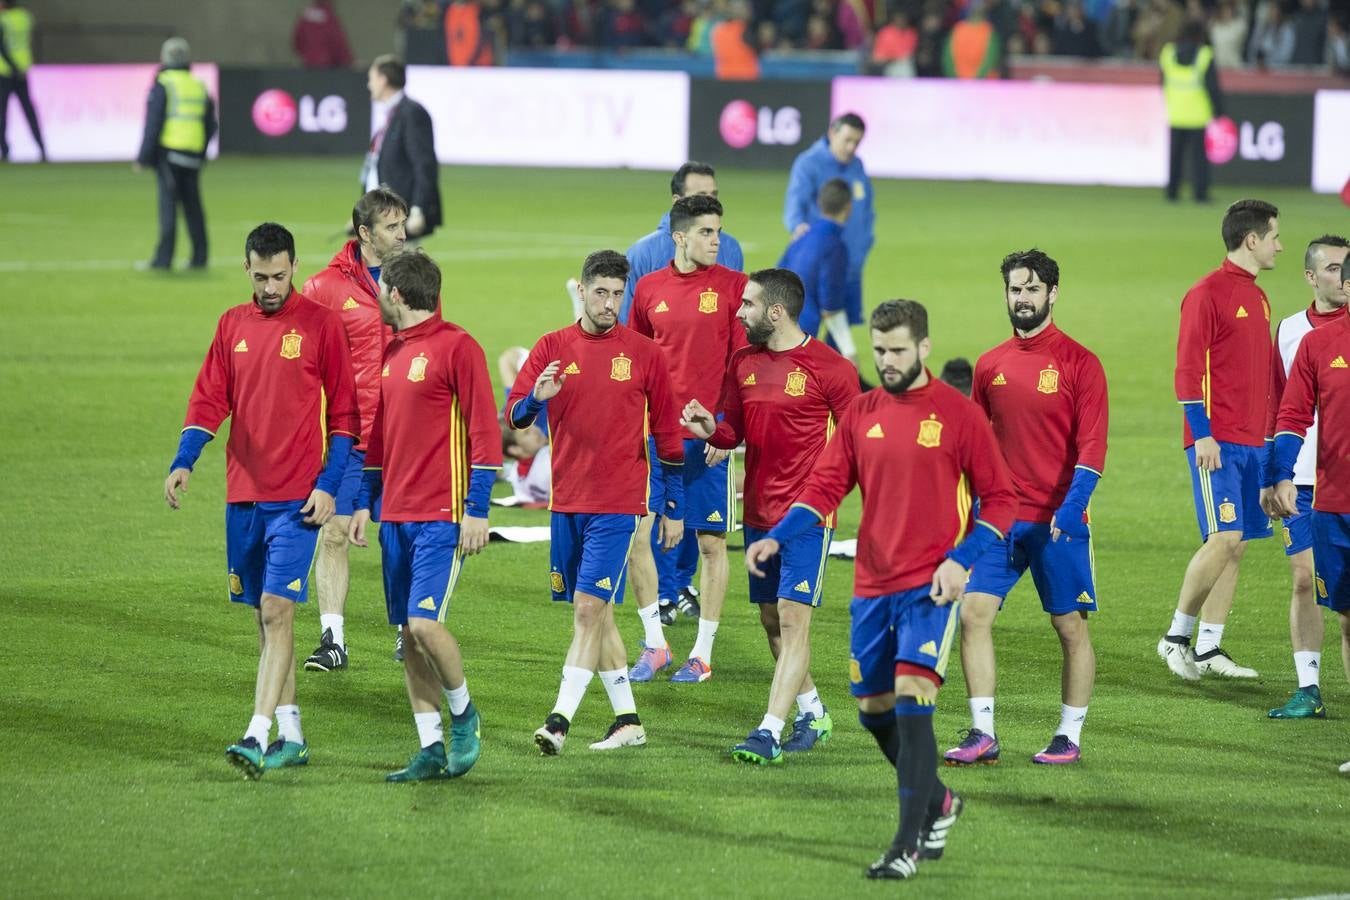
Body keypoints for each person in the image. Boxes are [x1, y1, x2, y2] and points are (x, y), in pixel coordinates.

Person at [746, 299, 1017, 878]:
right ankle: (940, 800)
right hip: (871, 587)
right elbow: (823, 490)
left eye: (897, 350)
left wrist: (960, 560)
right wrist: (778, 535)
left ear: (923, 348)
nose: (887, 361)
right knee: (873, 712)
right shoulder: (861, 413)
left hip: (928, 591)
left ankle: (907, 844)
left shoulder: (958, 415)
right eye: (879, 351)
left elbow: (1002, 500)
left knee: (914, 710)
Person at [162, 223, 359, 779]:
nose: (271, 286)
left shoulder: (321, 326)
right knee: (266, 618)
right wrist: (184, 459)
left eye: (280, 275)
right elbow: (209, 398)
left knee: (277, 610)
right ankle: (293, 733)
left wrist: (329, 485)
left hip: (298, 499)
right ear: (246, 268)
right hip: (243, 495)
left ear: (294, 266)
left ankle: (257, 731)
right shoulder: (232, 325)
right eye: (261, 275)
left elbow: (346, 418)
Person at [508, 250, 685, 754]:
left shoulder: (646, 354)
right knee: (596, 612)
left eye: (617, 294)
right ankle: (628, 720)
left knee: (588, 609)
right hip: (567, 502)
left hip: (620, 501)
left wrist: (673, 507)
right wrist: (538, 399)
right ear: (582, 291)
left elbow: (669, 436)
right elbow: (516, 418)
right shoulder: (552, 347)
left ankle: (559, 720)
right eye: (601, 293)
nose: (610, 303)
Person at [682, 268, 859, 764]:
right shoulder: (743, 362)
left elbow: (861, 443)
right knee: (770, 621)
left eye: (748, 305)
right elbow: (731, 429)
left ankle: (769, 731)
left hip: (806, 517)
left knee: (792, 618)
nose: (739, 313)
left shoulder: (832, 370)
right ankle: (813, 712)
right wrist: (706, 428)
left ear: (775, 312)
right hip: (758, 511)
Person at [946, 249, 1108, 767]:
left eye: (1032, 290)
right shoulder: (990, 364)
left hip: (1058, 521)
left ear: (1053, 294)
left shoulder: (1081, 363)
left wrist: (1072, 506)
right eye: (1015, 290)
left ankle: (1069, 733)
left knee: (1069, 628)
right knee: (974, 614)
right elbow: (976, 442)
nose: (1022, 299)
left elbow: (1093, 448)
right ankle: (982, 731)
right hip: (1001, 519)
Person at [349, 249, 500, 781]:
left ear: (395, 293)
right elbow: (381, 439)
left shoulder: (459, 348)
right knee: (407, 635)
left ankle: (464, 715)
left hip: (442, 514)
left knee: (424, 623)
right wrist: (365, 504)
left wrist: (477, 510)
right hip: (396, 514)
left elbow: (485, 435)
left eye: (380, 289)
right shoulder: (393, 351)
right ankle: (430, 748)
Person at [1159, 199, 1281, 681]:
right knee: (1223, 535)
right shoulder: (1206, 293)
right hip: (1218, 442)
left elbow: (1266, 376)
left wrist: (1270, 443)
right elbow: (1187, 369)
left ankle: (1209, 648)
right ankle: (1175, 638)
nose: (1279, 245)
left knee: (1239, 543)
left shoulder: (1260, 297)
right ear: (1252, 240)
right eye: (1274, 236)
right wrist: (1202, 434)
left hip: (1253, 443)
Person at [619, 160, 745, 629]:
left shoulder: (734, 286)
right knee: (653, 522)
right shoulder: (650, 285)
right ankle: (663, 604)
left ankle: (690, 614)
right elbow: (635, 355)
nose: (717, 240)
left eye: (718, 231)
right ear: (681, 235)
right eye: (708, 232)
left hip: (709, 426)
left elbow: (740, 361)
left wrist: (726, 428)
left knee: (703, 530)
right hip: (659, 424)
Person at [300, 187, 407, 671]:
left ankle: (410, 630)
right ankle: (333, 639)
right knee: (336, 532)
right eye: (391, 226)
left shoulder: (416, 281)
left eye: (403, 223)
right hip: (351, 437)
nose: (402, 233)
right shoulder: (324, 289)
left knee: (403, 535)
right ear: (365, 233)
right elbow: (303, 365)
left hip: (405, 435)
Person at [1267, 263, 1350, 775]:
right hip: (1334, 504)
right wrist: (1278, 475)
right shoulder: (1320, 346)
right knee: (1347, 618)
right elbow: (1293, 414)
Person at [784, 113, 875, 340]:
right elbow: (795, 204)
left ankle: (836, 373)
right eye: (847, 140)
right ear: (832, 132)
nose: (851, 147)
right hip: (819, 264)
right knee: (808, 325)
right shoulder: (809, 163)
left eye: (857, 142)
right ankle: (805, 373)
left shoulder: (857, 165)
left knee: (843, 324)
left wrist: (865, 241)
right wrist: (797, 226)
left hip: (852, 262)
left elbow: (867, 208)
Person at [135, 37, 217, 271]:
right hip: (192, 156)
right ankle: (199, 257)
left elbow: (153, 123)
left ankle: (163, 260)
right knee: (194, 208)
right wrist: (201, 153)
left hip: (169, 155)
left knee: (168, 207)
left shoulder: (164, 83)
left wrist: (144, 157)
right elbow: (211, 124)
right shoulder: (198, 85)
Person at [363, 55, 440, 241]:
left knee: (398, 269)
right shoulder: (392, 114)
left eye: (371, 79)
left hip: (400, 219)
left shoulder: (411, 113)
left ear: (383, 81)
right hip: (382, 215)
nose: (368, 85)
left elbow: (424, 163)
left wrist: (418, 209)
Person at [777, 178, 854, 364]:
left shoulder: (800, 238)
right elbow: (831, 306)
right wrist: (850, 351)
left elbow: (777, 275)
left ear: (819, 204)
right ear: (848, 207)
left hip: (777, 328)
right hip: (801, 339)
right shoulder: (835, 246)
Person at [1160, 21, 1223, 204]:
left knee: (1175, 157)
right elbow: (1212, 87)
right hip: (1197, 114)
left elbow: (1162, 81)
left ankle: (1172, 192)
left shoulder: (1168, 53)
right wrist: (1219, 111)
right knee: (1199, 159)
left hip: (1176, 112)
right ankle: (1200, 193)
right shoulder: (1204, 55)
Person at [0, 0, 45, 162]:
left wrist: (12, 66)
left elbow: (2, 47)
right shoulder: (25, 16)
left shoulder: (3, 19)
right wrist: (20, 67)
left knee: (2, 113)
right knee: (29, 111)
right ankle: (42, 148)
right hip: (22, 71)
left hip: (5, 71)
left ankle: (5, 151)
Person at [293, 0, 354, 69]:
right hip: (327, 69)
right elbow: (338, 44)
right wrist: (348, 62)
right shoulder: (329, 18)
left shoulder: (305, 17)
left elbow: (297, 42)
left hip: (308, 66)